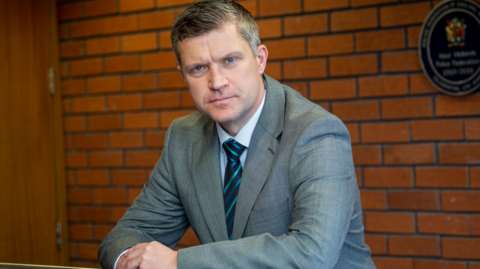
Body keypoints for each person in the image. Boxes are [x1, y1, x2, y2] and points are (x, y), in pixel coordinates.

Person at [98, 0, 375, 268]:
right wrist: (127, 259)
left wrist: (178, 263)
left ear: (260, 59)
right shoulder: (183, 138)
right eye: (199, 68)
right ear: (183, 76)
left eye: (229, 60)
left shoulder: (315, 132)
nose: (217, 82)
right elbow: (128, 234)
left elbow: (312, 255)